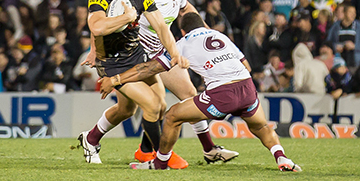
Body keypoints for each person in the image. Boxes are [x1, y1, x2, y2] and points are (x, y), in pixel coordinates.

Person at [100, 12, 301, 172]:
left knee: (172, 117)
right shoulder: (220, 36)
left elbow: (151, 68)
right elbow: (246, 65)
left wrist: (117, 79)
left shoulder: (183, 43)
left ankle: (160, 163)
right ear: (204, 25)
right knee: (261, 127)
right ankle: (282, 157)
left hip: (222, 93)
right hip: (247, 87)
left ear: (182, 29)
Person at [76, 0, 189, 167]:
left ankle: (90, 140)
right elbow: (98, 27)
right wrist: (127, 17)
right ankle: (162, 156)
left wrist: (174, 53)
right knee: (153, 105)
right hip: (112, 63)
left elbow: (162, 27)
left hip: (137, 56)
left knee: (129, 110)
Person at [133, 0, 238, 164]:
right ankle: (94, 140)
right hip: (139, 57)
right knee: (136, 108)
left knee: (189, 95)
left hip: (163, 53)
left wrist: (206, 31)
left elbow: (186, 7)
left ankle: (209, 149)